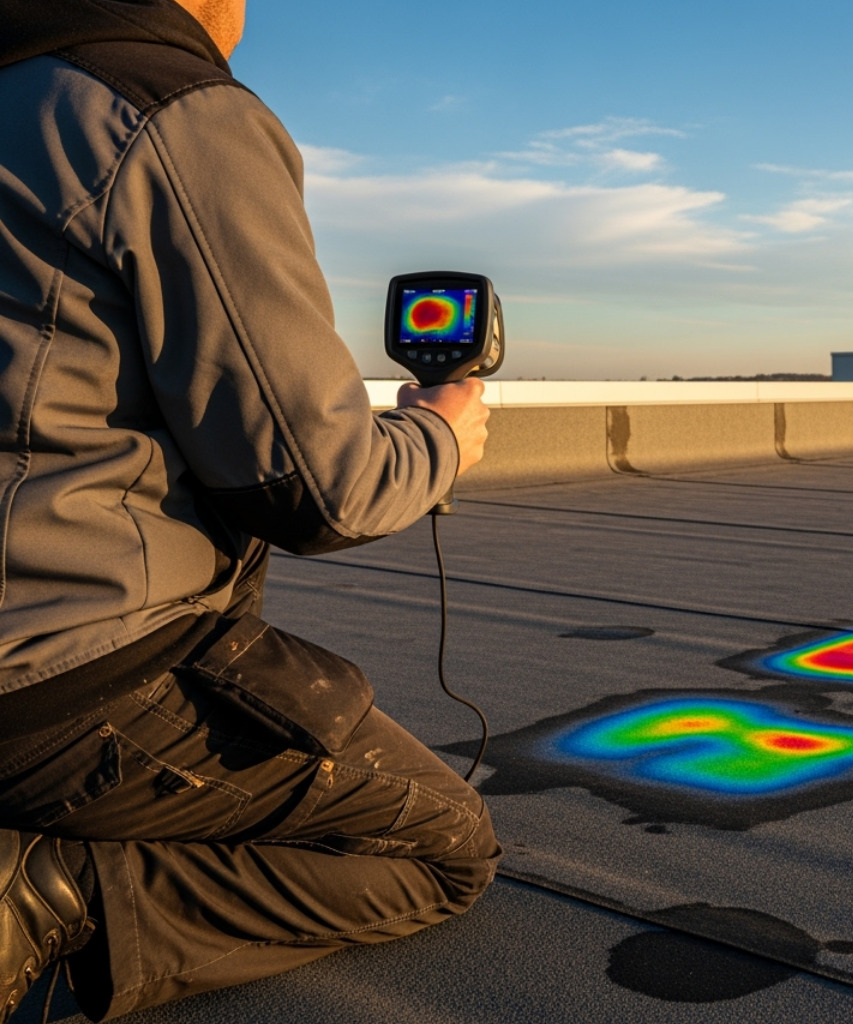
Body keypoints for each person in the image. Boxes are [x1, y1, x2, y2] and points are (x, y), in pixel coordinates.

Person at [0, 0, 501, 1018]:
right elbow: (321, 487)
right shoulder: (168, 109)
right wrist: (441, 437)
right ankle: (45, 892)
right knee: (441, 842)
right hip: (62, 687)